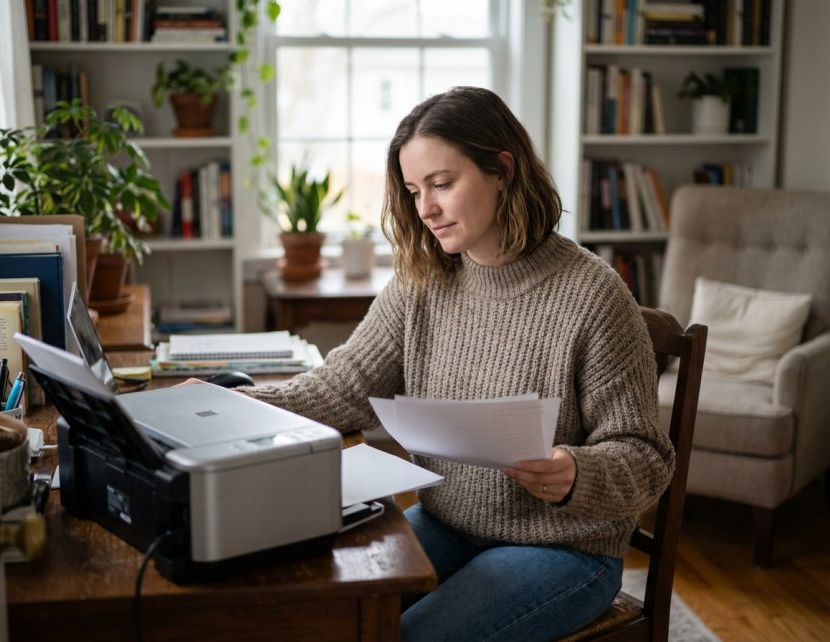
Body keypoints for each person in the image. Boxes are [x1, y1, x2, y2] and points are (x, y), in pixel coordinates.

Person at [235, 86, 675, 641]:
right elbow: (343, 386)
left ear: (502, 171)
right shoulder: (423, 279)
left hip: (564, 550)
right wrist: (232, 405)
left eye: (443, 184)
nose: (425, 209)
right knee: (323, 614)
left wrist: (575, 472)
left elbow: (647, 458)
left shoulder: (592, 294)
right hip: (447, 524)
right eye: (415, 190)